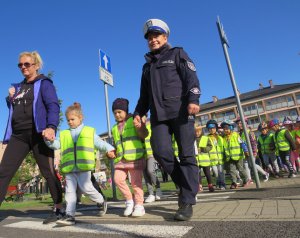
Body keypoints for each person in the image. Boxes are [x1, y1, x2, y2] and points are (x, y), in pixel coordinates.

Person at [133, 19, 200, 221]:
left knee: (187, 155)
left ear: (165, 37)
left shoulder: (177, 53)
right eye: (150, 38)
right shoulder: (146, 67)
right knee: (161, 152)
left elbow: (191, 77)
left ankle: (186, 201)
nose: (153, 40)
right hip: (158, 116)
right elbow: (144, 95)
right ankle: (187, 185)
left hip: (181, 111)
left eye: (156, 36)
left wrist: (193, 99)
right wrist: (138, 112)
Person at [0, 51, 64, 224]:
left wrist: (51, 127)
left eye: (27, 64)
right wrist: (10, 98)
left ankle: (59, 208)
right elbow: (15, 108)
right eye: (20, 65)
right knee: (4, 172)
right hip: (18, 136)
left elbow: (52, 105)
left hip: (39, 133)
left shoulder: (44, 83)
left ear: (36, 65)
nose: (23, 67)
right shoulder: (19, 87)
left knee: (48, 172)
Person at [45, 102, 115, 226]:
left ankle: (101, 200)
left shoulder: (89, 131)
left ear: (80, 117)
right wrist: (49, 141)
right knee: (69, 192)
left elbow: (100, 143)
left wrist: (109, 148)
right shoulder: (64, 134)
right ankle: (70, 216)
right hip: (69, 168)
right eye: (68, 120)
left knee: (87, 188)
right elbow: (56, 145)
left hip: (84, 167)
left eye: (72, 119)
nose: (70, 122)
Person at [107, 98, 148, 217]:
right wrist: (111, 152)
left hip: (135, 157)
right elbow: (116, 144)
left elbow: (144, 135)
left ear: (126, 111)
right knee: (117, 179)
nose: (117, 114)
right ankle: (129, 201)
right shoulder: (114, 128)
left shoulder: (133, 120)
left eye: (119, 111)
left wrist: (140, 127)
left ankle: (139, 205)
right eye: (115, 112)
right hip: (121, 160)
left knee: (136, 183)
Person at [235, 117, 269, 182]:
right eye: (238, 124)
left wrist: (254, 152)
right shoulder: (239, 133)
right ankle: (249, 179)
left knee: (252, 165)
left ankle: (265, 173)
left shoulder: (250, 132)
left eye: (241, 123)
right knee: (246, 165)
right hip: (244, 153)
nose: (239, 125)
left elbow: (254, 143)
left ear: (245, 123)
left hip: (251, 152)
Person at [221, 119, 251, 189]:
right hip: (230, 158)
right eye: (224, 129)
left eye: (227, 129)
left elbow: (242, 143)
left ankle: (247, 179)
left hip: (238, 156)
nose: (225, 130)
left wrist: (246, 151)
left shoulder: (236, 135)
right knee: (232, 170)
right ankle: (234, 182)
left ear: (231, 128)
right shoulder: (224, 138)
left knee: (241, 169)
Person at [144, 118, 162, 203]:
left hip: (152, 153)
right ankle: (151, 194)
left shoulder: (151, 125)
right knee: (146, 175)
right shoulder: (137, 127)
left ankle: (158, 189)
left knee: (151, 171)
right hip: (142, 155)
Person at [206, 120, 226, 190]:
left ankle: (223, 184)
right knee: (216, 173)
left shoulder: (220, 138)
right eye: (210, 128)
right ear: (208, 129)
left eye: (213, 128)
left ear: (216, 128)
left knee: (221, 173)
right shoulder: (206, 138)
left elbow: (224, 147)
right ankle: (218, 182)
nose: (212, 130)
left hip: (220, 159)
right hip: (212, 159)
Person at [194, 126, 214, 192]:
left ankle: (210, 185)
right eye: (196, 132)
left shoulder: (205, 138)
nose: (197, 133)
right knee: (197, 173)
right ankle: (199, 186)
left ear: (201, 131)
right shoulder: (192, 139)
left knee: (207, 173)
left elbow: (210, 146)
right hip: (196, 159)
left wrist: (203, 149)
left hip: (205, 159)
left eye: (198, 132)